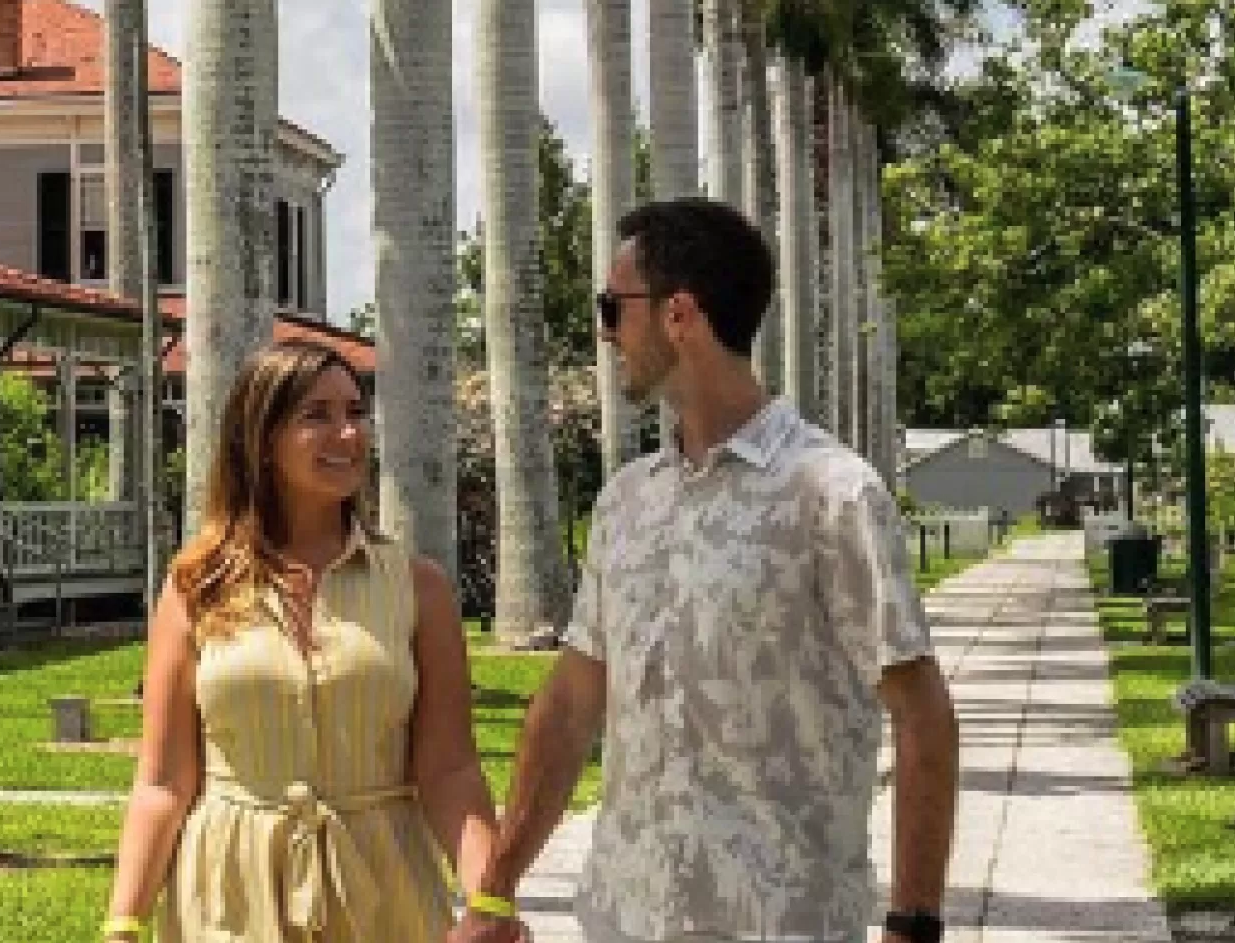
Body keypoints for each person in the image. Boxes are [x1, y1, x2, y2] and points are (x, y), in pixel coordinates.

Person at [451, 199, 960, 943]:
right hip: (625, 919)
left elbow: (924, 715)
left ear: (678, 315)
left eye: (612, 306)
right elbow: (567, 706)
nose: (604, 331)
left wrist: (913, 924)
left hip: (784, 925)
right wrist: (494, 894)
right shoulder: (626, 502)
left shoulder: (831, 494)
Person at [101, 341, 526, 943]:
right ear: (262, 439)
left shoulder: (418, 588)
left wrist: (489, 900)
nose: (347, 433)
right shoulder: (196, 587)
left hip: (384, 892)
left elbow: (449, 768)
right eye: (317, 415)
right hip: (229, 896)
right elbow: (164, 781)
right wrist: (122, 923)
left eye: (355, 412)